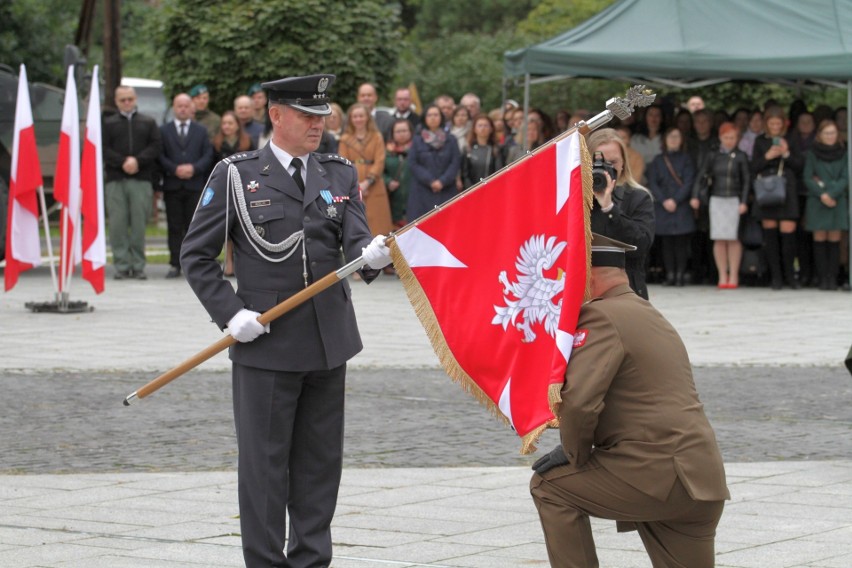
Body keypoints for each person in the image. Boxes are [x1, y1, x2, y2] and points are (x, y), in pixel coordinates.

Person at [180, 73, 392, 568]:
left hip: (328, 340)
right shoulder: (235, 173)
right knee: (265, 468)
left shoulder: (338, 172)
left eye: (323, 116)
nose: (320, 124)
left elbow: (353, 243)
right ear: (276, 115)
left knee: (320, 467)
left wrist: (374, 255)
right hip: (267, 342)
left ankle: (312, 561)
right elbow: (196, 255)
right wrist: (231, 313)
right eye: (307, 115)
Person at [530, 232, 729, 568]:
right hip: (702, 480)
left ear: (587, 275)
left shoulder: (601, 316)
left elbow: (580, 403)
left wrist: (574, 453)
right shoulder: (647, 311)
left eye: (568, 275)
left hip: (657, 478)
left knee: (549, 486)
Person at [586, 128, 655, 299]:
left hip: (626, 289)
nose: (605, 169)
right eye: (598, 162)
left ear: (624, 163)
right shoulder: (574, 199)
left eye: (613, 162)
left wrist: (610, 208)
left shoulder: (638, 197)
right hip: (585, 290)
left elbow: (641, 245)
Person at [103, 85, 162, 280]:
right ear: (117, 101)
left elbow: (155, 146)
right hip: (116, 180)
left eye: (130, 99)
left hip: (141, 178)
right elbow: (103, 148)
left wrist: (138, 161)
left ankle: (138, 265)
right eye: (123, 100)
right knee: (117, 224)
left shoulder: (148, 122)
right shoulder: (108, 123)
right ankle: (121, 264)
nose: (127, 103)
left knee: (139, 224)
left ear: (135, 98)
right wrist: (122, 162)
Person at [158, 93, 214, 278]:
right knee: (174, 227)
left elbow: (208, 154)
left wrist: (194, 168)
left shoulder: (200, 130)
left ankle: (194, 264)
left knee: (194, 226)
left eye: (185, 105)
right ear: (174, 107)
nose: (182, 109)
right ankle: (175, 263)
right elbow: (160, 155)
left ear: (191, 108)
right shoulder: (164, 130)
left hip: (194, 185)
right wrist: (174, 169)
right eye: (179, 105)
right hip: (173, 185)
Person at [691, 122, 750, 289]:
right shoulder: (713, 155)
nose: (729, 141)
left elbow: (746, 181)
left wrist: (744, 201)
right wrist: (695, 195)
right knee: (718, 237)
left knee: (733, 238)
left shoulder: (741, 156)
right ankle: (722, 275)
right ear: (720, 137)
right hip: (717, 199)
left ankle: (734, 275)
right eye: (726, 137)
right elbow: (702, 176)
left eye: (732, 137)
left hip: (734, 199)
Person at [750, 106, 801, 289]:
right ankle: (776, 278)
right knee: (770, 239)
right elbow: (753, 167)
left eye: (778, 123)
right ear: (766, 124)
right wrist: (767, 156)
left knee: (788, 238)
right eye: (771, 123)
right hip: (767, 192)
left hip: (787, 192)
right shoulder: (760, 141)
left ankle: (790, 276)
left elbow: (800, 166)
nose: (775, 126)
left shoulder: (792, 139)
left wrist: (786, 153)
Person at [338, 103, 394, 245]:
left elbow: (380, 161)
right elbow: (343, 163)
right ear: (350, 119)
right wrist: (356, 184)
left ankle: (385, 261)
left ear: (367, 118)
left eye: (361, 116)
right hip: (353, 184)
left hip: (374, 184)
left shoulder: (376, 137)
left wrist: (368, 182)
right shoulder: (345, 139)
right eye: (355, 116)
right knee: (358, 224)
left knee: (379, 225)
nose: (358, 119)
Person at [804, 119, 849, 290]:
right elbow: (808, 176)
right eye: (827, 133)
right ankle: (822, 278)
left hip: (837, 199)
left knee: (835, 239)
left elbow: (846, 176)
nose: (830, 136)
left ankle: (833, 277)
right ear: (820, 136)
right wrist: (822, 194)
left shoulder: (844, 153)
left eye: (833, 133)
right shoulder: (812, 153)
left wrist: (832, 193)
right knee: (820, 238)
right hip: (818, 200)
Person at [647, 127, 695, 286]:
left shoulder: (687, 159)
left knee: (681, 242)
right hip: (663, 205)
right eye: (671, 136)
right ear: (665, 140)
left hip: (681, 205)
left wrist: (676, 200)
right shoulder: (657, 160)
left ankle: (680, 274)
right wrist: (664, 200)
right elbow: (653, 182)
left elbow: (689, 182)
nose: (674, 140)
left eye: (677, 137)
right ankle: (670, 274)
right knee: (666, 243)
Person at [213, 110, 256, 276]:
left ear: (237, 125)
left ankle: (242, 261)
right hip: (224, 189)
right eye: (224, 123)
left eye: (230, 123)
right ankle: (228, 261)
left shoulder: (247, 143)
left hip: (243, 188)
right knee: (226, 227)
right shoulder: (216, 144)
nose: (227, 127)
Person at [406, 103, 461, 221]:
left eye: (436, 115)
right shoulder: (417, 140)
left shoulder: (451, 140)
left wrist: (442, 181)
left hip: (446, 190)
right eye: (429, 115)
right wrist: (430, 181)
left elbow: (455, 162)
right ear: (424, 118)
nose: (432, 118)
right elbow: (413, 163)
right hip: (422, 191)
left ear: (441, 117)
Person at [384, 118, 413, 227]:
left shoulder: (417, 150)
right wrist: (387, 181)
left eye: (404, 131)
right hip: (393, 200)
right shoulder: (386, 151)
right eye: (398, 131)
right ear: (392, 133)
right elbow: (380, 172)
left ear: (410, 132)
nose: (401, 134)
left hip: (413, 198)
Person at [461, 114, 503, 189]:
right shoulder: (468, 149)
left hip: (491, 189)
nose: (483, 128)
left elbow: (498, 172)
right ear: (474, 129)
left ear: (491, 129)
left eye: (486, 125)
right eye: (480, 125)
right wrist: (471, 189)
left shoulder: (496, 149)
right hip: (471, 191)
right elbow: (464, 174)